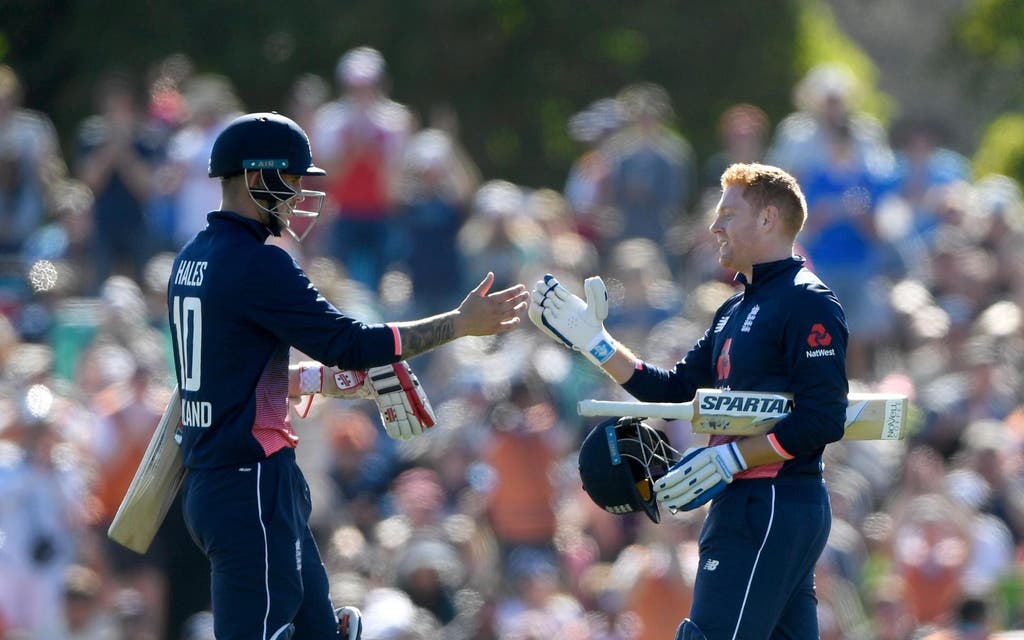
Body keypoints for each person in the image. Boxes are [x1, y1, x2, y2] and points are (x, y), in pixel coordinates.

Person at [168, 111, 528, 640]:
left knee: (321, 631)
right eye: (289, 179)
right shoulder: (259, 263)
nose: (296, 196)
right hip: (250, 486)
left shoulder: (190, 259)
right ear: (254, 176)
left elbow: (228, 375)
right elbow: (350, 343)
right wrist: (457, 324)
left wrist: (320, 382)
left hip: (226, 483)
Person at [531, 162, 849, 639]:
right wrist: (595, 344)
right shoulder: (733, 309)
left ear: (767, 220)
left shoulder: (807, 301)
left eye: (728, 213)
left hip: (771, 500)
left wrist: (732, 457)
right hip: (754, 501)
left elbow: (823, 418)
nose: (715, 226)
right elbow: (673, 390)